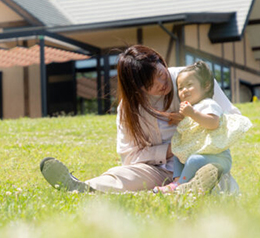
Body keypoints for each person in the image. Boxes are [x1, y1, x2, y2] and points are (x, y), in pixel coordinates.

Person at [39, 45, 242, 194]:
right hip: (158, 168)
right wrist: (168, 150)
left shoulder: (191, 79)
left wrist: (195, 123)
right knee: (122, 175)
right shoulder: (129, 109)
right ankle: (83, 188)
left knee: (210, 181)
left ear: (162, 62)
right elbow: (129, 156)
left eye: (161, 75)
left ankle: (178, 191)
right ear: (137, 88)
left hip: (200, 161)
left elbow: (233, 119)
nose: (161, 84)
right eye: (150, 84)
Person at [153, 61, 252, 194]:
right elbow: (194, 125)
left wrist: (192, 114)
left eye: (189, 85)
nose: (184, 90)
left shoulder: (209, 104)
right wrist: (181, 118)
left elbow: (212, 123)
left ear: (205, 86)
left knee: (194, 160)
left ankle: (179, 186)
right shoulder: (193, 108)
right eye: (181, 88)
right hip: (203, 153)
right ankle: (178, 180)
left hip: (219, 158)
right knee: (178, 153)